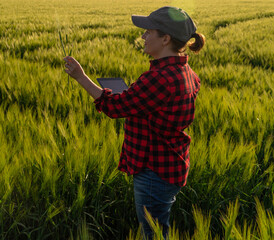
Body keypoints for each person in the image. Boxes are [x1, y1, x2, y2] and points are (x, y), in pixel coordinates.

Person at [63, 6, 205, 240]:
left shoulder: (159, 77)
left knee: (153, 233)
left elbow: (115, 107)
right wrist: (134, 98)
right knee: (158, 228)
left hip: (154, 170)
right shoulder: (185, 71)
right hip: (171, 163)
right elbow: (154, 108)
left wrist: (80, 77)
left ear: (165, 38)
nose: (143, 36)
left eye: (148, 32)